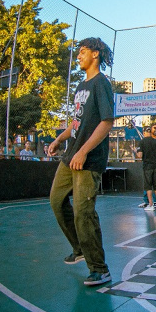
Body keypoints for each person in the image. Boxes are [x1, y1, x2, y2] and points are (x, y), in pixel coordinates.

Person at [46, 37, 115, 287]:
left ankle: (100, 268)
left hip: (88, 159)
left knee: (83, 213)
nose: (78, 56)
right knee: (56, 201)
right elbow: (76, 123)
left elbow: (107, 122)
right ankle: (79, 248)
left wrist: (84, 151)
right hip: (70, 155)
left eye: (83, 52)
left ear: (95, 54)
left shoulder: (101, 84)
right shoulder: (80, 87)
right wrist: (58, 140)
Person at [138, 124, 156, 210]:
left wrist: (136, 151)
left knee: (148, 186)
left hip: (147, 166)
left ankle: (150, 205)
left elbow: (139, 155)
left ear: (144, 132)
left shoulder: (142, 142)